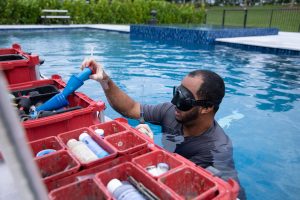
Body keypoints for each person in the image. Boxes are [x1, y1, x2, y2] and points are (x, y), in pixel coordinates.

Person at [81, 58, 246, 199]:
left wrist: (149, 151)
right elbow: (131, 108)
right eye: (177, 93)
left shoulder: (218, 150)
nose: (175, 102)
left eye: (184, 99)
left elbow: (230, 192)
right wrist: (105, 80)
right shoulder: (171, 112)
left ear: (206, 108)